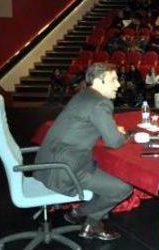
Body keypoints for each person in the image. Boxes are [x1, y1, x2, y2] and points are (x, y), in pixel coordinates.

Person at [34, 63, 132, 240]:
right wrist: (128, 135)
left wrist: (110, 128)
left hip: (48, 162)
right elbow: (115, 142)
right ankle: (80, 215)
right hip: (64, 170)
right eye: (113, 80)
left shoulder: (84, 95)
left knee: (105, 170)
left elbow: (84, 125)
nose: (118, 85)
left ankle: (88, 222)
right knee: (122, 189)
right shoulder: (101, 103)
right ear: (98, 81)